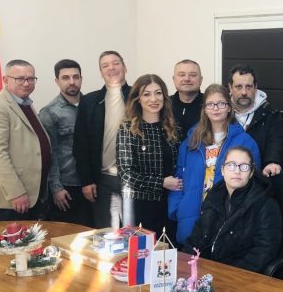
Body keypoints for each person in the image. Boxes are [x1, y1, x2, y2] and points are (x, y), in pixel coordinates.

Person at [168, 84, 261, 246]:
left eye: (221, 104)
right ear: (204, 109)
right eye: (210, 104)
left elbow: (255, 184)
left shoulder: (245, 142)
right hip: (191, 219)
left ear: (229, 107)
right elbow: (178, 179)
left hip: (227, 220)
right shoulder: (191, 142)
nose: (216, 108)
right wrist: (177, 209)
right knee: (190, 260)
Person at [185, 146, 281, 273]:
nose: (237, 171)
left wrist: (227, 274)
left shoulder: (265, 203)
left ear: (251, 172)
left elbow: (264, 250)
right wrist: (185, 265)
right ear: (222, 170)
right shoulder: (214, 195)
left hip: (238, 275)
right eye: (231, 165)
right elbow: (197, 236)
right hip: (205, 270)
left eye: (244, 166)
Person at [0, 59, 51, 221]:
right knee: (17, 238)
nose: (26, 83)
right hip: (14, 199)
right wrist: (16, 192)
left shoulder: (25, 103)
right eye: (20, 79)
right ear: (5, 80)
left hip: (34, 194)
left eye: (31, 79)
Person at [117, 74, 181, 238]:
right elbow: (126, 174)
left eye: (158, 93)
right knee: (141, 251)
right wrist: (161, 182)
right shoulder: (128, 129)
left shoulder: (173, 128)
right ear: (138, 99)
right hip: (139, 206)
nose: (154, 99)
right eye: (146, 94)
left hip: (170, 203)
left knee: (167, 250)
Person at [74, 50, 131, 228]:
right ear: (101, 72)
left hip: (134, 179)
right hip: (103, 181)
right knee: (107, 233)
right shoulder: (89, 101)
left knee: (135, 232)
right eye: (105, 65)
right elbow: (80, 144)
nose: (111, 68)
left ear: (125, 67)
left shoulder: (139, 97)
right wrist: (86, 181)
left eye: (116, 63)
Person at [38, 59, 92, 226]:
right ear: (57, 81)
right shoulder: (49, 113)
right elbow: (49, 153)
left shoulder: (93, 105)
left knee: (94, 234)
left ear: (81, 79)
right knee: (68, 236)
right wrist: (56, 188)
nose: (72, 82)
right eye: (66, 78)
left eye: (76, 77)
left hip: (93, 183)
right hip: (67, 187)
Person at [228, 65, 283, 177]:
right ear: (230, 88)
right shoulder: (221, 112)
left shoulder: (270, 114)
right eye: (239, 87)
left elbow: (276, 142)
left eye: (249, 87)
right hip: (226, 178)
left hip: (260, 177)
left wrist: (271, 162)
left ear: (255, 87)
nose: (244, 92)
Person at [170, 59, 204, 135]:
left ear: (201, 80)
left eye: (193, 75)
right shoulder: (165, 105)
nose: (187, 79)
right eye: (182, 75)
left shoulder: (210, 105)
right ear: (174, 79)